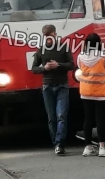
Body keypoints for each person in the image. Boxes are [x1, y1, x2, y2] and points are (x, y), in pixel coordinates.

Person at [31, 24, 75, 155]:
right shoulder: (41, 50)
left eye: (49, 36)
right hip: (47, 87)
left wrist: (58, 65)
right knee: (52, 118)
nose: (48, 39)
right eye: (45, 36)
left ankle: (60, 143)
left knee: (61, 115)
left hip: (62, 86)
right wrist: (44, 68)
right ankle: (56, 143)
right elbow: (34, 68)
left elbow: (72, 65)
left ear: (55, 34)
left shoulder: (64, 48)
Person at [74, 33, 105, 157]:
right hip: (102, 93)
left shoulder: (81, 57)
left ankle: (88, 147)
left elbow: (79, 67)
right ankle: (102, 148)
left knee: (88, 119)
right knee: (100, 120)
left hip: (86, 92)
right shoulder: (104, 57)